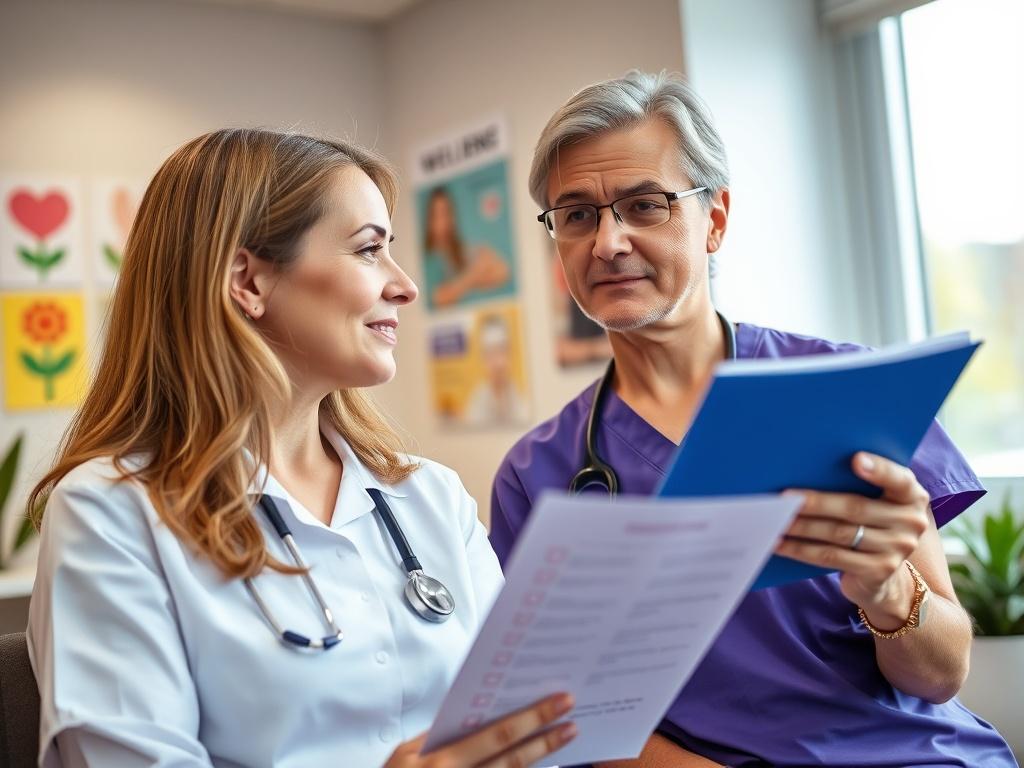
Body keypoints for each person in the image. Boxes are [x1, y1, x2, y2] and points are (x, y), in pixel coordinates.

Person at [489, 71, 1017, 767]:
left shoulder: (844, 390)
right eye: (577, 214)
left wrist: (890, 592)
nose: (608, 241)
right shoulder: (538, 474)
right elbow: (564, 714)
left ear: (714, 219)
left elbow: (940, 675)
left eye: (644, 205)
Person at [26, 128, 576, 767]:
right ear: (249, 281)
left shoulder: (429, 496)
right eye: (369, 250)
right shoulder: (111, 514)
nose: (405, 287)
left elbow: (529, 734)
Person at [423, 186, 510, 308]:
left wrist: (463, 284)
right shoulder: (430, 258)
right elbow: (439, 298)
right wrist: (475, 273)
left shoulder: (460, 251)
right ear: (429, 220)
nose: (443, 222)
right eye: (437, 215)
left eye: (446, 213)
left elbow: (502, 272)